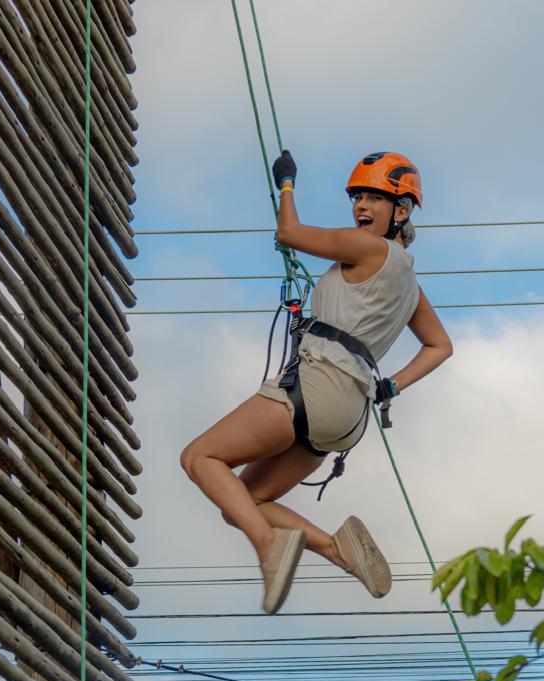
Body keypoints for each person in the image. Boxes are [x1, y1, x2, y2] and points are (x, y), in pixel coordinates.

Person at [180, 150, 454, 613]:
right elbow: (439, 346)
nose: (361, 207)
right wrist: (390, 387)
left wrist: (286, 183)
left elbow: (289, 233)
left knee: (200, 458)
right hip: (348, 416)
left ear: (401, 211)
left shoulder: (370, 248)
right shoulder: (409, 281)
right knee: (241, 503)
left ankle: (268, 546)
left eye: (374, 198)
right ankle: (336, 550)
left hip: (319, 382)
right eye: (357, 198)